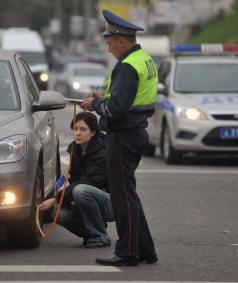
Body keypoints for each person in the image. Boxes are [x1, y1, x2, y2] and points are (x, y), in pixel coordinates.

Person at [81, 9, 158, 266]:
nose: (108, 46)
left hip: (123, 134)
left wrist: (95, 104)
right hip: (135, 132)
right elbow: (124, 99)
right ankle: (145, 249)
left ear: (122, 41)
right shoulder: (144, 59)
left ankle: (127, 252)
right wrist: (101, 99)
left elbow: (115, 108)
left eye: (110, 41)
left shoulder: (126, 66)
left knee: (122, 196)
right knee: (129, 194)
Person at [39, 112, 114, 248]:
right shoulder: (76, 149)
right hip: (90, 198)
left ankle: (100, 236)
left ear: (93, 132)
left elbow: (86, 183)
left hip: (112, 203)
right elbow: (69, 178)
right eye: (75, 129)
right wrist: (54, 191)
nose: (77, 133)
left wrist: (56, 199)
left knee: (81, 190)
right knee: (58, 213)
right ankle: (92, 233)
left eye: (83, 129)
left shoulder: (102, 153)